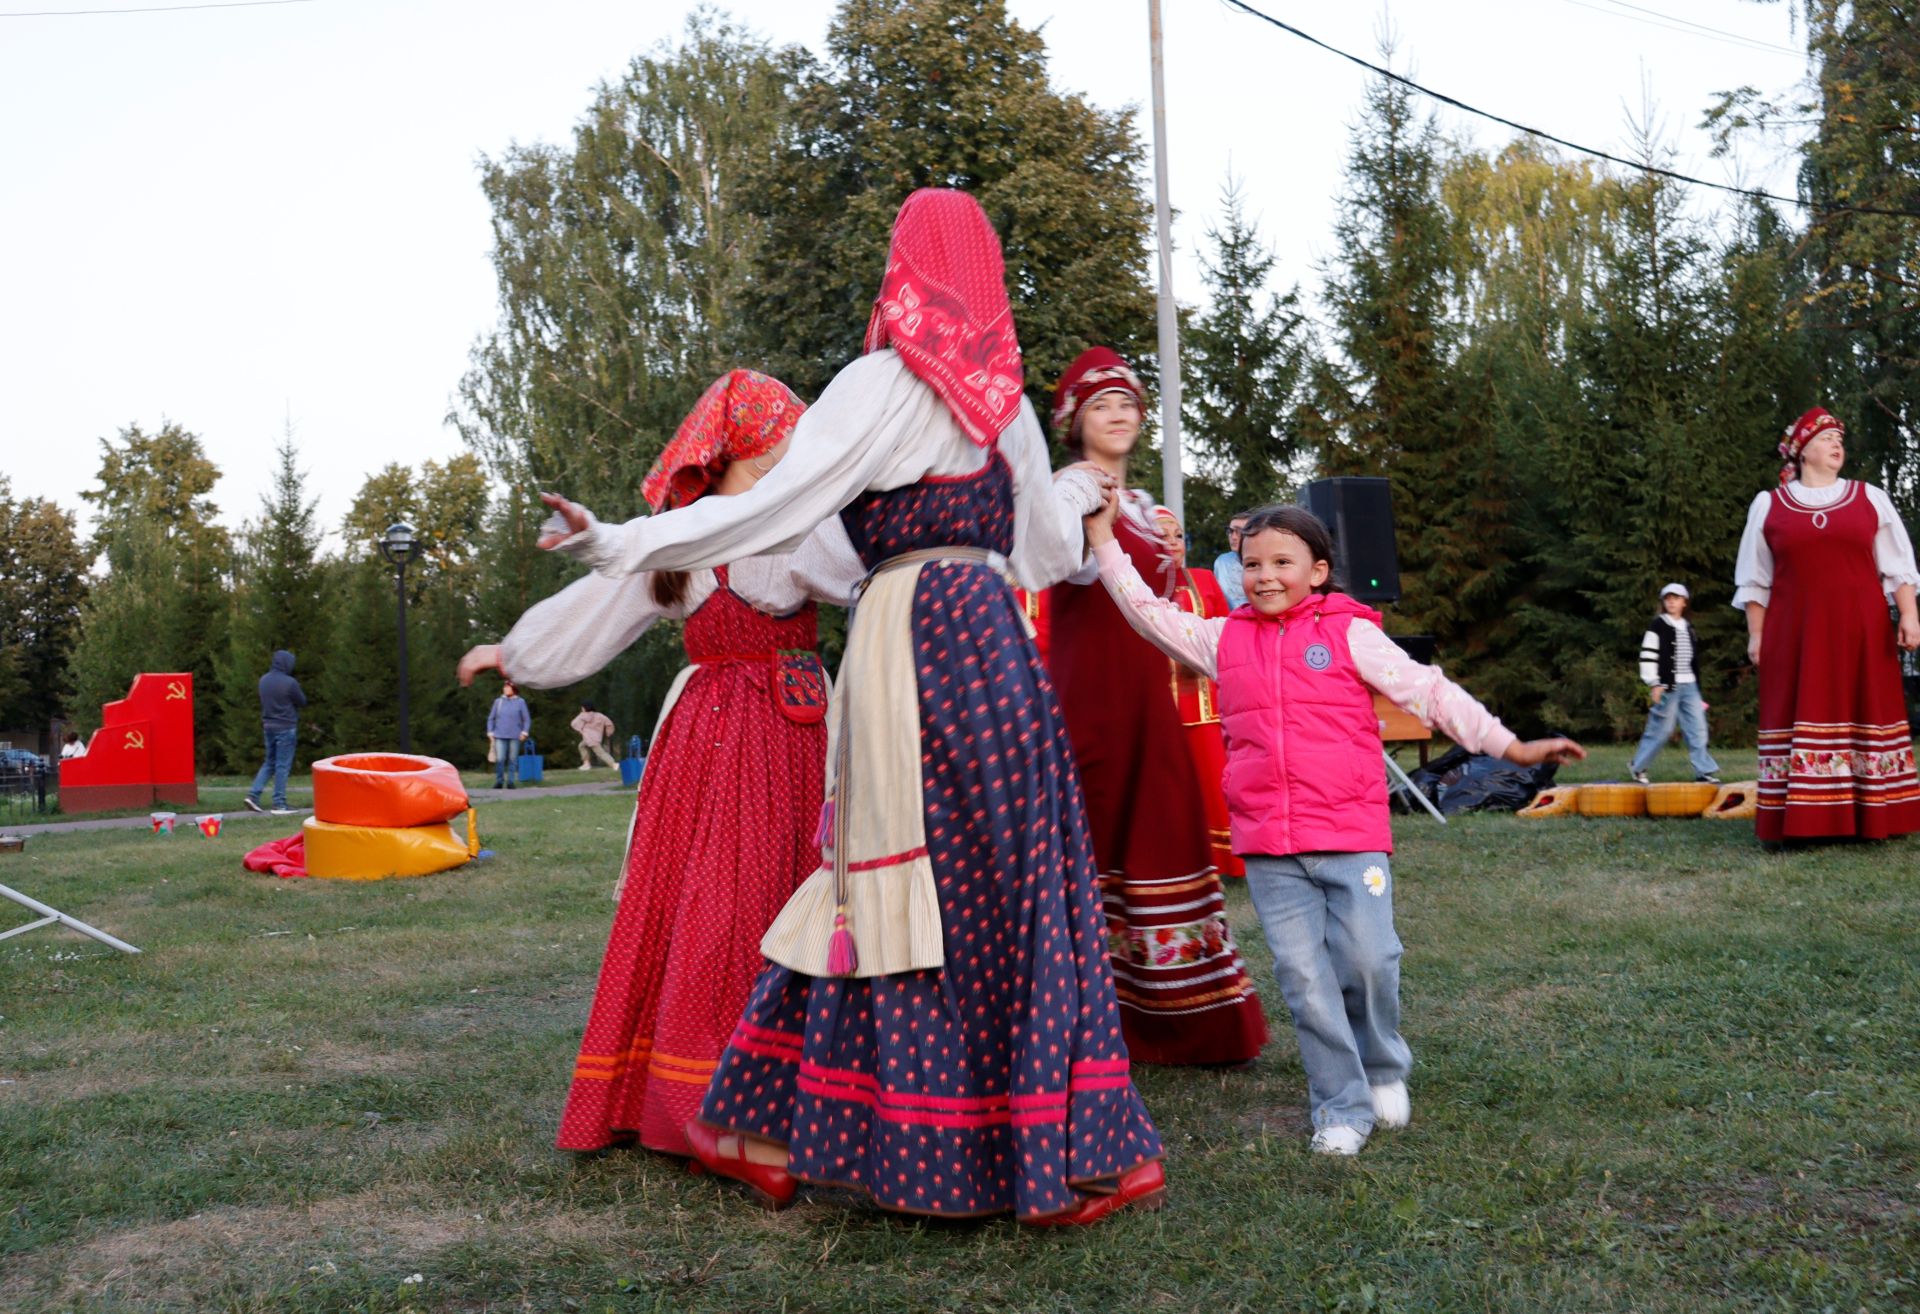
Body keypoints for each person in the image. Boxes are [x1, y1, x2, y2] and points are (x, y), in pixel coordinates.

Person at [536, 189, 1163, 1225]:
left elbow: (782, 512)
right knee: (1010, 874)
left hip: (908, 632)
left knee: (887, 877)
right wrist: (1076, 490)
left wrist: (622, 541)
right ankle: (1053, 1148)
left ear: (904, 269)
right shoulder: (1001, 402)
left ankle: (781, 1123)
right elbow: (1045, 556)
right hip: (993, 638)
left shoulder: (879, 381)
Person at [1086, 497, 1584, 1155]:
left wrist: (1509, 747)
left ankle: (1382, 1067)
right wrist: (1102, 539)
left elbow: (1427, 691)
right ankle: (1340, 1108)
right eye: (1252, 563)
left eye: (1282, 562)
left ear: (1317, 570)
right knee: (1305, 980)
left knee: (1370, 960)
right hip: (1270, 847)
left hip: (1351, 835)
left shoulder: (1350, 633)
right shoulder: (1221, 638)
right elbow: (1145, 612)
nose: (1265, 575)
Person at [460, 369, 846, 1159]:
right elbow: (599, 608)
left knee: (800, 884)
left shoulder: (810, 520)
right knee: (718, 895)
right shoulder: (685, 539)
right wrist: (514, 652)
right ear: (745, 445)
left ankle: (800, 1082)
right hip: (721, 737)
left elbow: (866, 571)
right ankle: (703, 1092)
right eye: (783, 437)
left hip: (804, 731)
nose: (796, 448)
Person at [1044, 347, 1266, 1068]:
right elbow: (1059, 568)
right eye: (1102, 405)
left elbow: (1164, 607)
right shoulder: (1068, 489)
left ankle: (1182, 1016)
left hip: (1149, 689)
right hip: (1091, 691)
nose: (1118, 415)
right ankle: (1087, 1014)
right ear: (1074, 421)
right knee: (1098, 831)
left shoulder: (1145, 505)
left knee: (1162, 824)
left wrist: (1163, 549)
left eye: (1129, 404)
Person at [1734, 406, 1920, 843]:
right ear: (1801, 450)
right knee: (1801, 710)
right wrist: (1757, 636)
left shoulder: (1868, 497)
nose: (1837, 444)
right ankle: (1803, 823)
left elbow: (1898, 565)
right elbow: (1754, 580)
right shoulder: (1769, 506)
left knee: (1866, 709)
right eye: (1826, 438)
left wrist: (1909, 614)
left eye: (1840, 438)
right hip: (1794, 634)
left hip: (1862, 631)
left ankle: (1874, 818)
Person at [1152, 505, 1243, 878]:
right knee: (1172, 784)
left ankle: (1226, 860)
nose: (1173, 544)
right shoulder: (1138, 586)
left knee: (1215, 776)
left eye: (1178, 536)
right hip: (1163, 702)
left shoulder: (1205, 578)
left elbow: (1229, 630)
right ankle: (1182, 860)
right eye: (1163, 536)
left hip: (1207, 700)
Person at [1628, 583, 1720, 785]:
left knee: (1698, 729)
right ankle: (1638, 767)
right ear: (1663, 602)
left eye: (1676, 598)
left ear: (1684, 602)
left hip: (1690, 686)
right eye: (1668, 598)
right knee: (1660, 730)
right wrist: (1654, 683)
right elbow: (1648, 654)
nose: (1672, 601)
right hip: (1667, 686)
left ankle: (1704, 770)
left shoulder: (1688, 627)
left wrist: (1698, 689)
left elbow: (1692, 660)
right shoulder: (1658, 625)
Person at [243, 649, 305, 815]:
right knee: (282, 765)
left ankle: (253, 795)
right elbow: (302, 701)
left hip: (268, 725)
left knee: (269, 762)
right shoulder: (290, 682)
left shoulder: (264, 680)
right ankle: (279, 803)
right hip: (286, 726)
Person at [487, 681, 531, 789]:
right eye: (505, 687)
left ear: (513, 689)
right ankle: (499, 781)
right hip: (499, 735)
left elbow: (526, 719)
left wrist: (524, 732)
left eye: (508, 687)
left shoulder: (520, 702)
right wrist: (490, 731)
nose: (505, 689)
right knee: (500, 759)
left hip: (515, 735)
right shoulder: (498, 702)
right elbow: (491, 718)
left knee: (512, 759)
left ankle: (511, 781)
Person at [1213, 510, 1251, 609]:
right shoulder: (1222, 562)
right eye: (1230, 531)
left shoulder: (1265, 560)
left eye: (1239, 531)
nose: (1233, 537)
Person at [571, 703, 619, 770]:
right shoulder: (600, 716)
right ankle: (586, 764)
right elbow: (609, 723)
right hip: (596, 737)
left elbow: (574, 723)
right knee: (581, 746)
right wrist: (608, 732)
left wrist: (580, 730)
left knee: (600, 753)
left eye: (582, 707)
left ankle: (614, 764)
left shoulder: (582, 715)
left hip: (588, 737)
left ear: (584, 708)